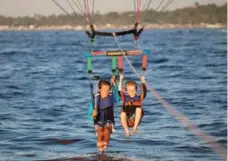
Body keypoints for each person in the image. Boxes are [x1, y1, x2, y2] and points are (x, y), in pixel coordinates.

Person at [91, 76, 117, 152]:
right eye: (104, 90)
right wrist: (93, 114)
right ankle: (99, 142)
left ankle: (105, 142)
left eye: (108, 90)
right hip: (98, 120)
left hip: (109, 119)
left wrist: (115, 83)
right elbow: (90, 115)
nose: (106, 92)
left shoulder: (111, 97)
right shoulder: (95, 99)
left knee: (107, 130)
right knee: (100, 131)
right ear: (99, 89)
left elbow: (118, 97)